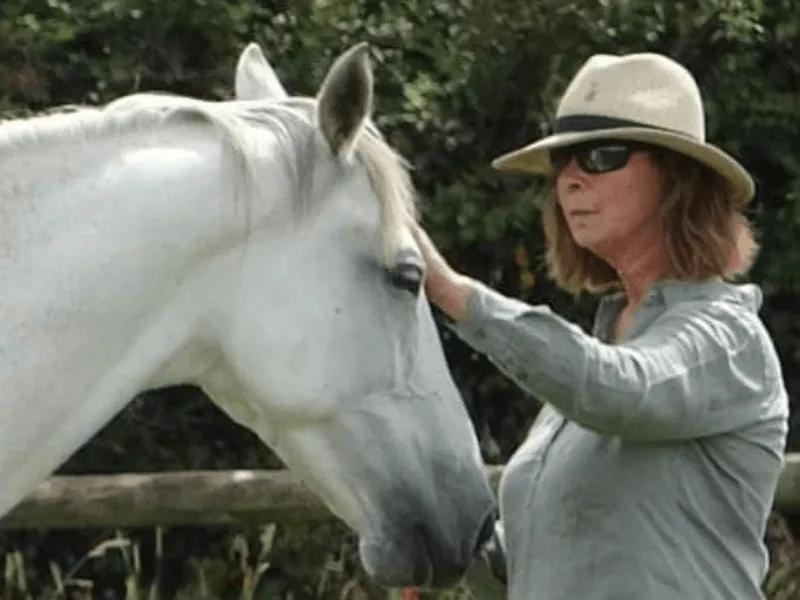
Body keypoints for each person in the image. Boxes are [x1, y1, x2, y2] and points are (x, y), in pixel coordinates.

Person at [414, 52, 790, 599]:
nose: (567, 179)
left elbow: (618, 391)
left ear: (679, 180)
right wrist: (437, 538)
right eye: (561, 161)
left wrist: (448, 289)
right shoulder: (585, 371)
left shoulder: (729, 340)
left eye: (600, 155)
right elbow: (532, 574)